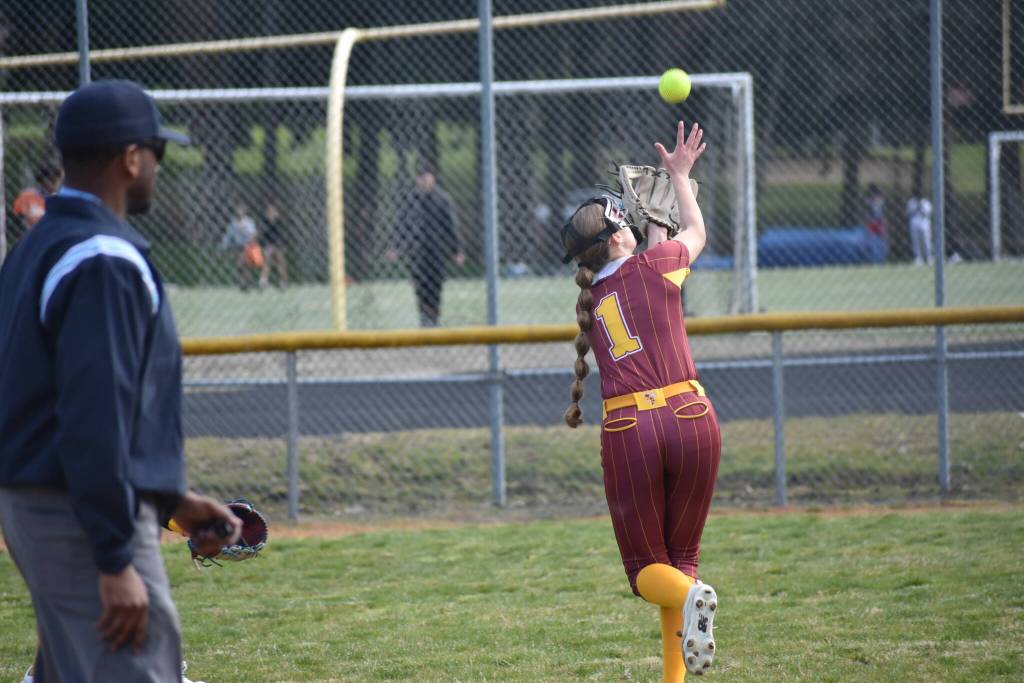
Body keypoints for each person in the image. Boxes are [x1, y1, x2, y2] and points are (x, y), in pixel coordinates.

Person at [0, 79, 242, 682]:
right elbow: (94, 414)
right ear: (131, 158)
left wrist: (167, 497)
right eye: (156, 152)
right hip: (78, 516)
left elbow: (53, 404)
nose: (158, 166)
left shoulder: (38, 247)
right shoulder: (101, 257)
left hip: (47, 501)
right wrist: (113, 557)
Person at [561, 121, 720, 683]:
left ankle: (694, 595)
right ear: (617, 235)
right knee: (679, 563)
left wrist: (652, 222)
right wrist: (678, 179)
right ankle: (675, 673)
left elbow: (639, 263)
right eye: (620, 218)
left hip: (631, 427)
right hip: (693, 416)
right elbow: (696, 229)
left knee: (647, 573)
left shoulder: (592, 300)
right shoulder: (658, 267)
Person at [386, 159, 465, 326]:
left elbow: (451, 226)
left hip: (437, 250)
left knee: (435, 286)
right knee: (420, 286)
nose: (423, 180)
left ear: (433, 178)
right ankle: (424, 318)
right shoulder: (409, 199)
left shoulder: (443, 199)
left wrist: (457, 250)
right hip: (416, 251)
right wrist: (395, 247)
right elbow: (400, 224)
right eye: (420, 176)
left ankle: (434, 319)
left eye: (426, 176)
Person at [11, 162, 63, 238]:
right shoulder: (27, 196)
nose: (55, 183)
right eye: (51, 179)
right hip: (30, 239)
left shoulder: (62, 199)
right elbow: (17, 222)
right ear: (41, 181)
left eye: (57, 180)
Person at [221, 202, 260, 290]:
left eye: (241, 210)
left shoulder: (249, 222)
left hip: (247, 246)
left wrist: (244, 231)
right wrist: (225, 244)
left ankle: (247, 283)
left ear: (244, 212)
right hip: (237, 246)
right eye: (238, 210)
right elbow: (229, 234)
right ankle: (248, 282)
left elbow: (253, 234)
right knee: (241, 266)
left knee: (243, 265)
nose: (239, 212)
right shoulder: (233, 222)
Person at [259, 199, 288, 289]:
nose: (272, 212)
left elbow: (282, 234)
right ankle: (263, 282)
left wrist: (281, 245)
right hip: (268, 244)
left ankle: (282, 282)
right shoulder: (265, 221)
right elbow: (263, 234)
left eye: (274, 210)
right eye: (270, 210)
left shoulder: (279, 221)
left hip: (277, 244)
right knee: (267, 262)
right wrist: (266, 245)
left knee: (281, 262)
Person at [906, 195, 933, 265]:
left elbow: (928, 213)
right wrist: (916, 208)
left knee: (926, 241)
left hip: (924, 224)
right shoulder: (911, 202)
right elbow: (909, 213)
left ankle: (928, 257)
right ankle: (918, 257)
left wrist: (921, 207)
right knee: (916, 242)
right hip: (914, 223)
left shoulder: (926, 202)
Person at [864, 184, 888, 263]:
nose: (878, 196)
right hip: (872, 224)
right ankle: (873, 261)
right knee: (872, 244)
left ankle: (881, 260)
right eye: (876, 194)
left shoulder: (881, 203)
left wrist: (883, 226)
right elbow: (867, 216)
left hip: (880, 223)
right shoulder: (868, 202)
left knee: (882, 244)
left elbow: (883, 216)